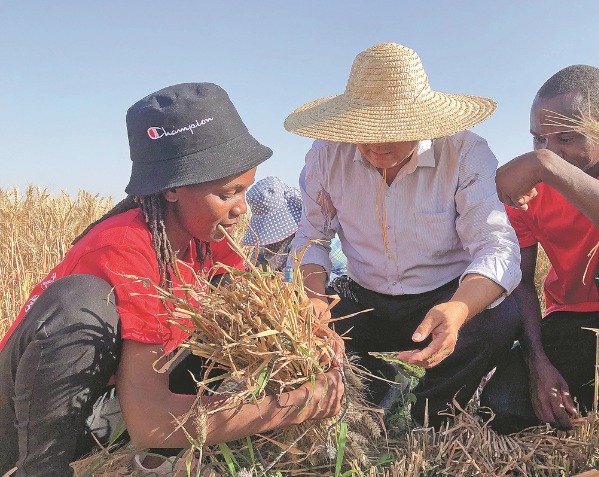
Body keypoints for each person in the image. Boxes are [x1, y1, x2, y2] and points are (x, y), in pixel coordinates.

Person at [0, 82, 344, 477]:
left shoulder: (210, 241)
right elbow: (151, 422)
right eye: (228, 193)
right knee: (81, 301)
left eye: (244, 190)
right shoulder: (123, 248)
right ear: (174, 189)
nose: (241, 209)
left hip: (111, 413)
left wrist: (305, 335)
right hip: (40, 426)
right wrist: (296, 404)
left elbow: (263, 316)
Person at [283, 42, 523, 429]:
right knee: (303, 329)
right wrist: (314, 302)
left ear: (423, 121)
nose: (378, 143)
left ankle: (432, 408)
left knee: (499, 319)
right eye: (366, 128)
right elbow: (313, 235)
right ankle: (366, 393)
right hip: (363, 297)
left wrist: (459, 310)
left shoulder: (464, 152)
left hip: (441, 297)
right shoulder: (326, 156)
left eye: (393, 129)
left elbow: (497, 245)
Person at [484, 65, 599, 441]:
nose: (550, 150)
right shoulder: (529, 188)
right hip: (576, 321)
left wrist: (546, 165)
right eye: (539, 139)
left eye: (565, 138)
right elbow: (520, 282)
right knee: (503, 405)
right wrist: (539, 362)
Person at [242, 175, 347, 282]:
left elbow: (337, 270)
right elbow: (259, 259)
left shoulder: (311, 235)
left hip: (335, 279)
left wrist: (289, 280)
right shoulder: (271, 245)